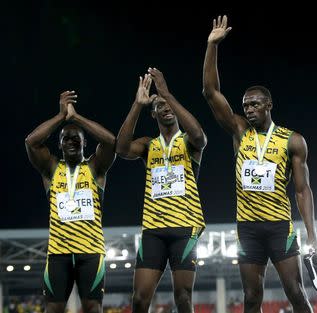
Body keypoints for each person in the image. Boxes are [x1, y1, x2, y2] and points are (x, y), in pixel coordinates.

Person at [202, 15, 317, 313]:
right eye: (245, 106)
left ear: (269, 105)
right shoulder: (240, 131)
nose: (249, 109)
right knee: (251, 297)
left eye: (254, 104)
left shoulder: (292, 140)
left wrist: (312, 234)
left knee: (296, 292)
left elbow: (303, 190)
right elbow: (210, 92)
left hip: (280, 226)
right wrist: (211, 47)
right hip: (248, 229)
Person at [116, 68, 207, 313]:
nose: (165, 107)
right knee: (139, 299)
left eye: (169, 105)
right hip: (153, 230)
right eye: (159, 105)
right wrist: (137, 105)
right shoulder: (148, 145)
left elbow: (200, 137)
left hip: (185, 228)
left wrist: (166, 93)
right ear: (153, 113)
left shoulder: (188, 142)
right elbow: (122, 149)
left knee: (183, 297)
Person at [25, 90, 116, 313]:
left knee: (93, 308)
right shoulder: (51, 169)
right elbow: (31, 141)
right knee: (53, 309)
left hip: (91, 253)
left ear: (85, 143)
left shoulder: (95, 168)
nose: (71, 141)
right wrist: (60, 116)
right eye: (66, 138)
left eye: (77, 138)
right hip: (58, 255)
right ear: (59, 144)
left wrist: (76, 118)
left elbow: (111, 141)